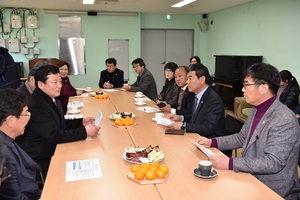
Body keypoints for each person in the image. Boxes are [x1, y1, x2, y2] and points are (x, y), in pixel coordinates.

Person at [197, 63, 300, 199]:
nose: (243, 89)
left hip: (272, 190)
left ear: (263, 87)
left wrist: (230, 162)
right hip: (250, 178)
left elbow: (273, 162)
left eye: (246, 84)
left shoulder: (284, 119)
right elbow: (242, 137)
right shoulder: (256, 109)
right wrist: (212, 142)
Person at [16, 64, 100, 179]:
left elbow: (58, 123)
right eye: (55, 82)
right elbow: (54, 136)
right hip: (42, 157)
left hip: (50, 149)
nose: (59, 86)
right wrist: (85, 132)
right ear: (41, 84)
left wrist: (81, 123)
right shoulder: (37, 105)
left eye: (60, 81)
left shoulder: (46, 98)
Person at [0, 89, 40, 199]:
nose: (28, 119)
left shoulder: (7, 138)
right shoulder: (3, 155)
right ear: (10, 121)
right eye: (26, 114)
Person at [168, 64, 226, 138]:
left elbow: (208, 128)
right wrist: (181, 118)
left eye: (190, 78)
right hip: (198, 137)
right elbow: (197, 119)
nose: (187, 82)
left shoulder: (213, 100)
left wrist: (183, 125)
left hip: (210, 142)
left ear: (202, 80)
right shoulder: (198, 96)